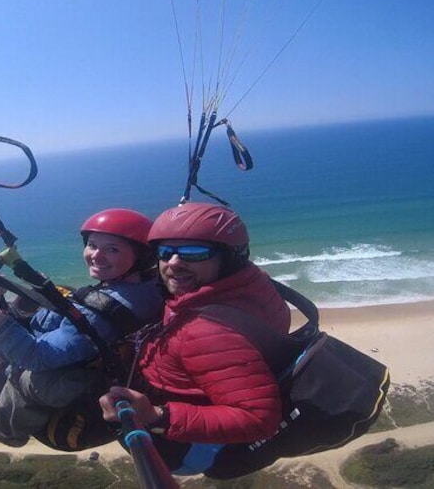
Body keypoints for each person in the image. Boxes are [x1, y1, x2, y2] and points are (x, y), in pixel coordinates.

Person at [0, 208, 163, 447]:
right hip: (97, 362)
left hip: (69, 385)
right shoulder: (152, 287)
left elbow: (36, 357)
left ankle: (4, 429)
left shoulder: (100, 313)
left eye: (112, 249)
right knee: (35, 300)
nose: (96, 255)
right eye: (92, 245)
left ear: (140, 257)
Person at [98, 202, 291, 474]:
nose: (174, 263)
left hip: (185, 449)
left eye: (193, 252)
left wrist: (156, 416)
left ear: (229, 258)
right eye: (165, 252)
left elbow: (260, 418)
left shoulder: (206, 332)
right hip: (204, 383)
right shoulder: (252, 282)